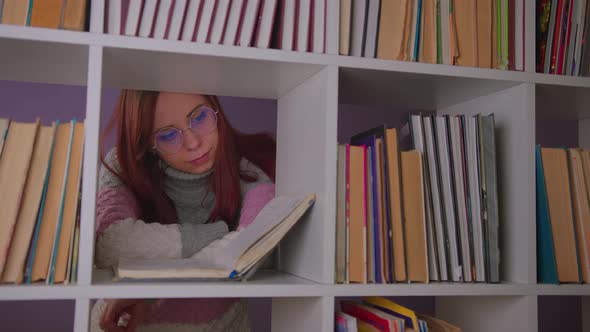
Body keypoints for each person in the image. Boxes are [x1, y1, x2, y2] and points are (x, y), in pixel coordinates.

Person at [90, 90, 277, 332]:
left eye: (199, 118)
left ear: (216, 109)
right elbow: (110, 245)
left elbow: (256, 250)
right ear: (148, 142)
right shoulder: (123, 164)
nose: (193, 143)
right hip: (125, 324)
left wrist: (149, 282)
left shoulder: (248, 170)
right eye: (167, 135)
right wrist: (221, 233)